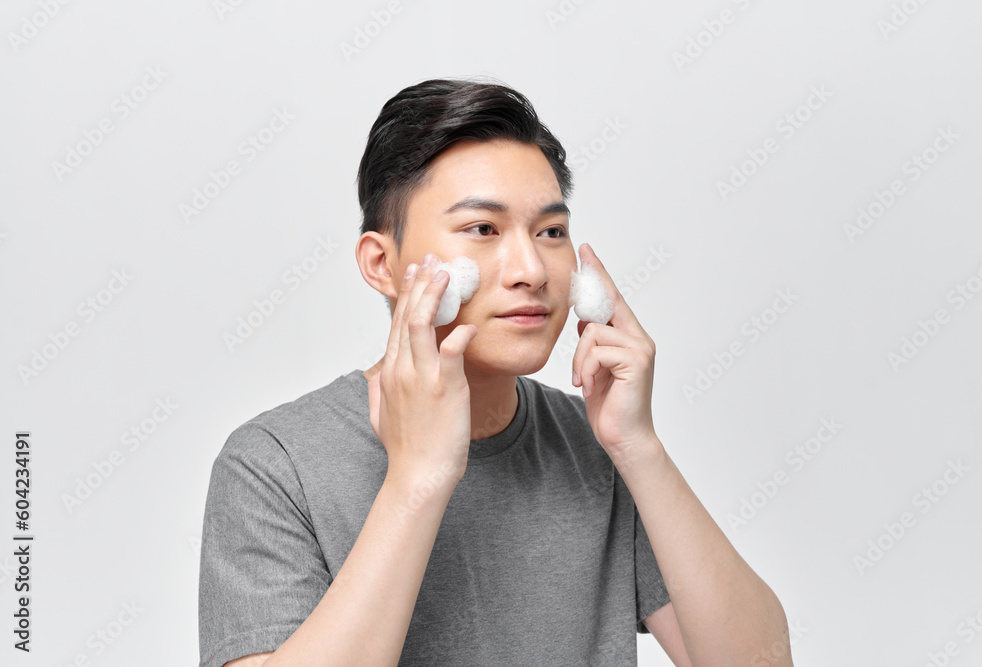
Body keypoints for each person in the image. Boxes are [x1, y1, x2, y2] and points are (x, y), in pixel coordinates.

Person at [198, 77, 791, 667]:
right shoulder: (274, 464)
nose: (531, 269)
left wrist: (639, 448)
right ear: (381, 263)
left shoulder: (594, 445)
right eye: (483, 229)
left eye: (551, 232)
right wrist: (416, 480)